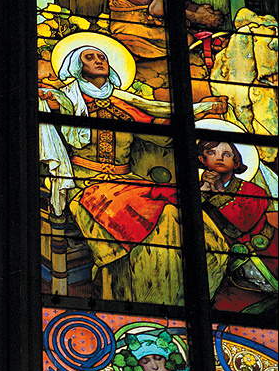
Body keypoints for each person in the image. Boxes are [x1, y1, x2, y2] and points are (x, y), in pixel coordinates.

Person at [38, 43, 230, 305]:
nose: (98, 60)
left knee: (193, 222)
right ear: (77, 66)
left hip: (128, 184)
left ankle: (181, 301)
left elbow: (160, 130)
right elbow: (51, 125)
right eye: (89, 57)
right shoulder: (67, 100)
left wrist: (201, 111)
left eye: (102, 56)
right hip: (85, 186)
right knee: (164, 219)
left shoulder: (125, 104)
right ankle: (148, 301)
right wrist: (50, 101)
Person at [197, 141, 278, 313]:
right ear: (202, 160)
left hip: (268, 260)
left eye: (226, 154)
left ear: (236, 163)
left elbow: (242, 223)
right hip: (227, 274)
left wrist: (219, 194)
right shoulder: (196, 192)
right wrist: (201, 193)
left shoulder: (254, 192)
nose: (219, 158)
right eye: (211, 153)